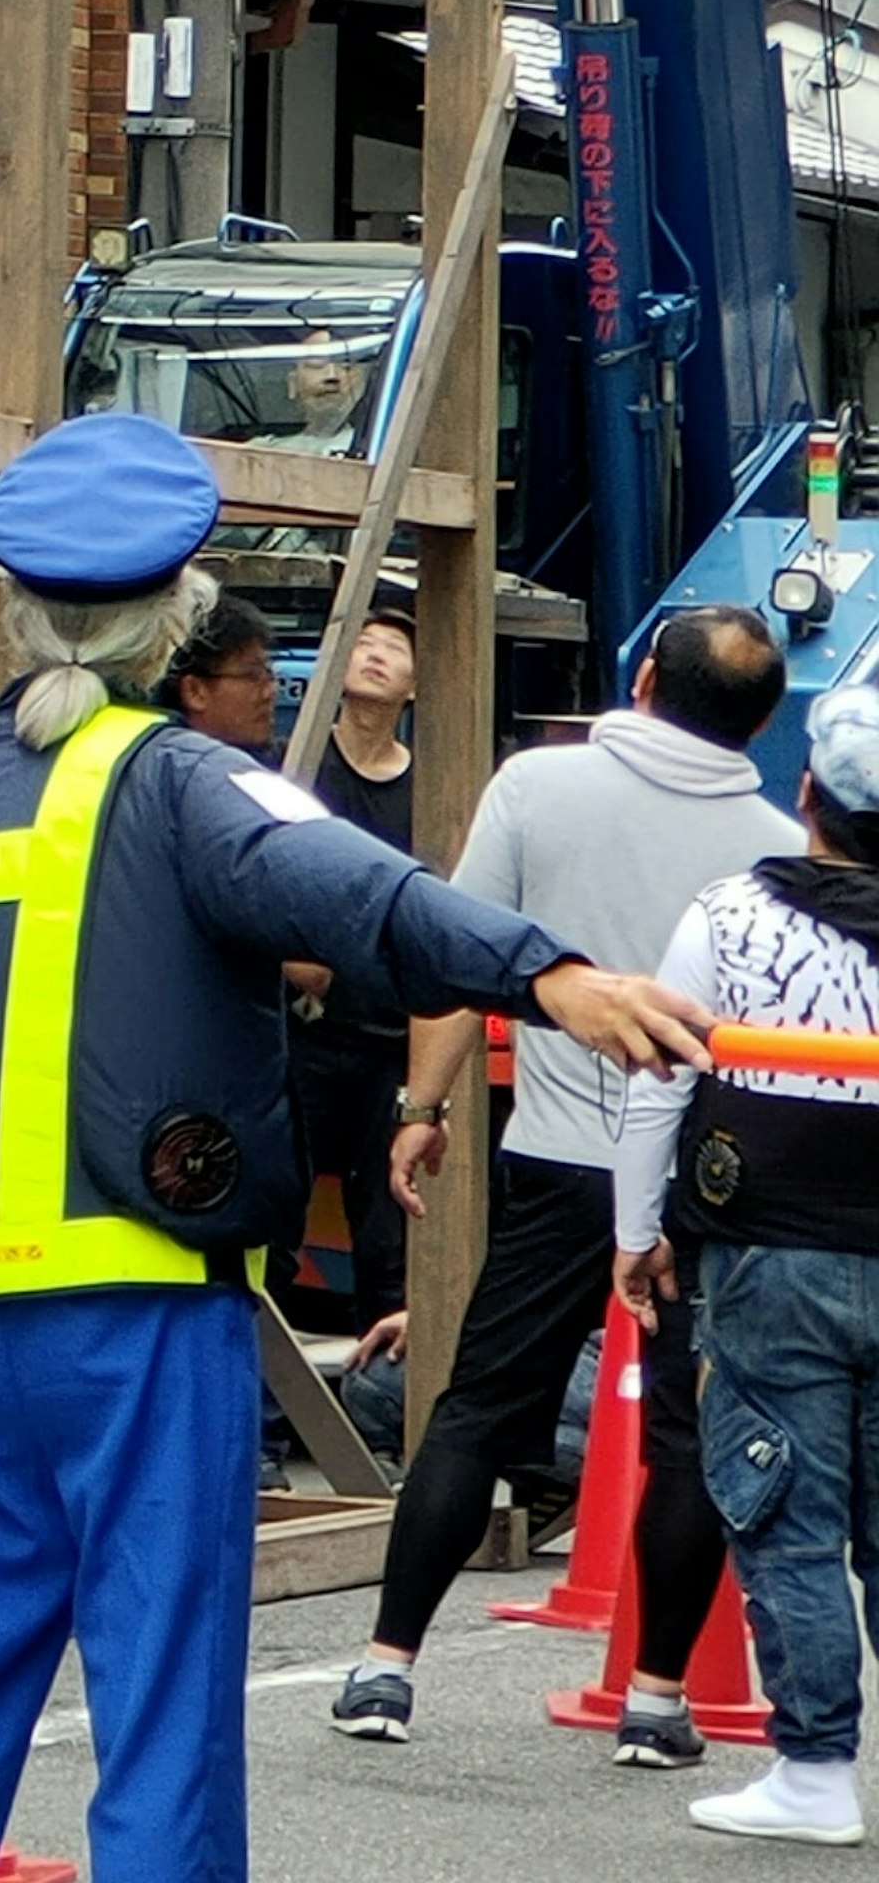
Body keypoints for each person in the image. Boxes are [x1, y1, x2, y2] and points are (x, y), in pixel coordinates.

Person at [0, 417, 703, 1883]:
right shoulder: (182, 784)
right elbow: (367, 895)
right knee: (160, 1717)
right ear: (171, 624)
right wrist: (550, 975)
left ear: (19, 613)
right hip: (147, 1327)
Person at [334, 600, 786, 1746]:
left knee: (480, 1404)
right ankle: (655, 1700)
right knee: (690, 1431)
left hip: (557, 1154)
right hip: (703, 1182)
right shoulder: (775, 846)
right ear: (763, 717)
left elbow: (458, 955)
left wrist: (422, 1107)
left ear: (640, 680)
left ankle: (387, 1665)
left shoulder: (538, 786)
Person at [616, 668, 879, 1845]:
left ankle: (817, 1767)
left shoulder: (728, 913)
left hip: (768, 1251)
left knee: (787, 1509)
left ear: (808, 791)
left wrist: (636, 1233)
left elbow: (656, 1085)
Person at [277, 604, 421, 1334]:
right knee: (271, 1222)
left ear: (417, 685)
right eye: (361, 643)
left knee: (389, 1242)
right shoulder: (297, 764)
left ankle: (384, 1412)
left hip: (390, 1040)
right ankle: (264, 1423)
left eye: (392, 648)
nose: (373, 654)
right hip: (298, 1036)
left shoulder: (431, 787)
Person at [166, 588, 280, 751]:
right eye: (252, 676)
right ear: (194, 691)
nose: (269, 692)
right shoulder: (162, 770)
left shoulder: (291, 764)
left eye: (269, 674)